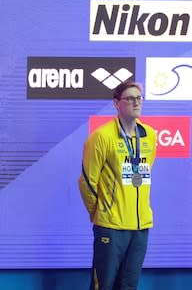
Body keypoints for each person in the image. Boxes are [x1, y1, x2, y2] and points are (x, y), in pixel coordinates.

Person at [78, 80, 157, 290]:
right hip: (111, 226)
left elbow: (144, 173)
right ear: (116, 103)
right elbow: (87, 181)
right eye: (130, 98)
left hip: (140, 227)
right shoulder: (101, 137)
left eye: (139, 98)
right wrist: (100, 212)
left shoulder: (149, 135)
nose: (136, 102)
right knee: (103, 285)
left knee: (129, 285)